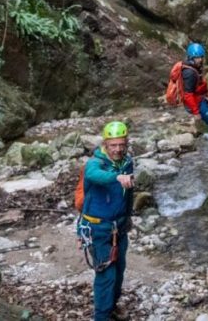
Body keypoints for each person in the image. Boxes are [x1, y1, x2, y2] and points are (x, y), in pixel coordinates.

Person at [77, 121, 134, 321]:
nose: (117, 149)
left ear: (126, 143)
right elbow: (94, 175)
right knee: (106, 274)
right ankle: (101, 317)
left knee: (119, 270)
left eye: (121, 144)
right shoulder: (95, 163)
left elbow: (129, 193)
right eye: (113, 145)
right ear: (105, 144)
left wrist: (128, 216)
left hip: (119, 226)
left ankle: (112, 307)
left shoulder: (127, 162)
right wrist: (117, 177)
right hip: (97, 228)